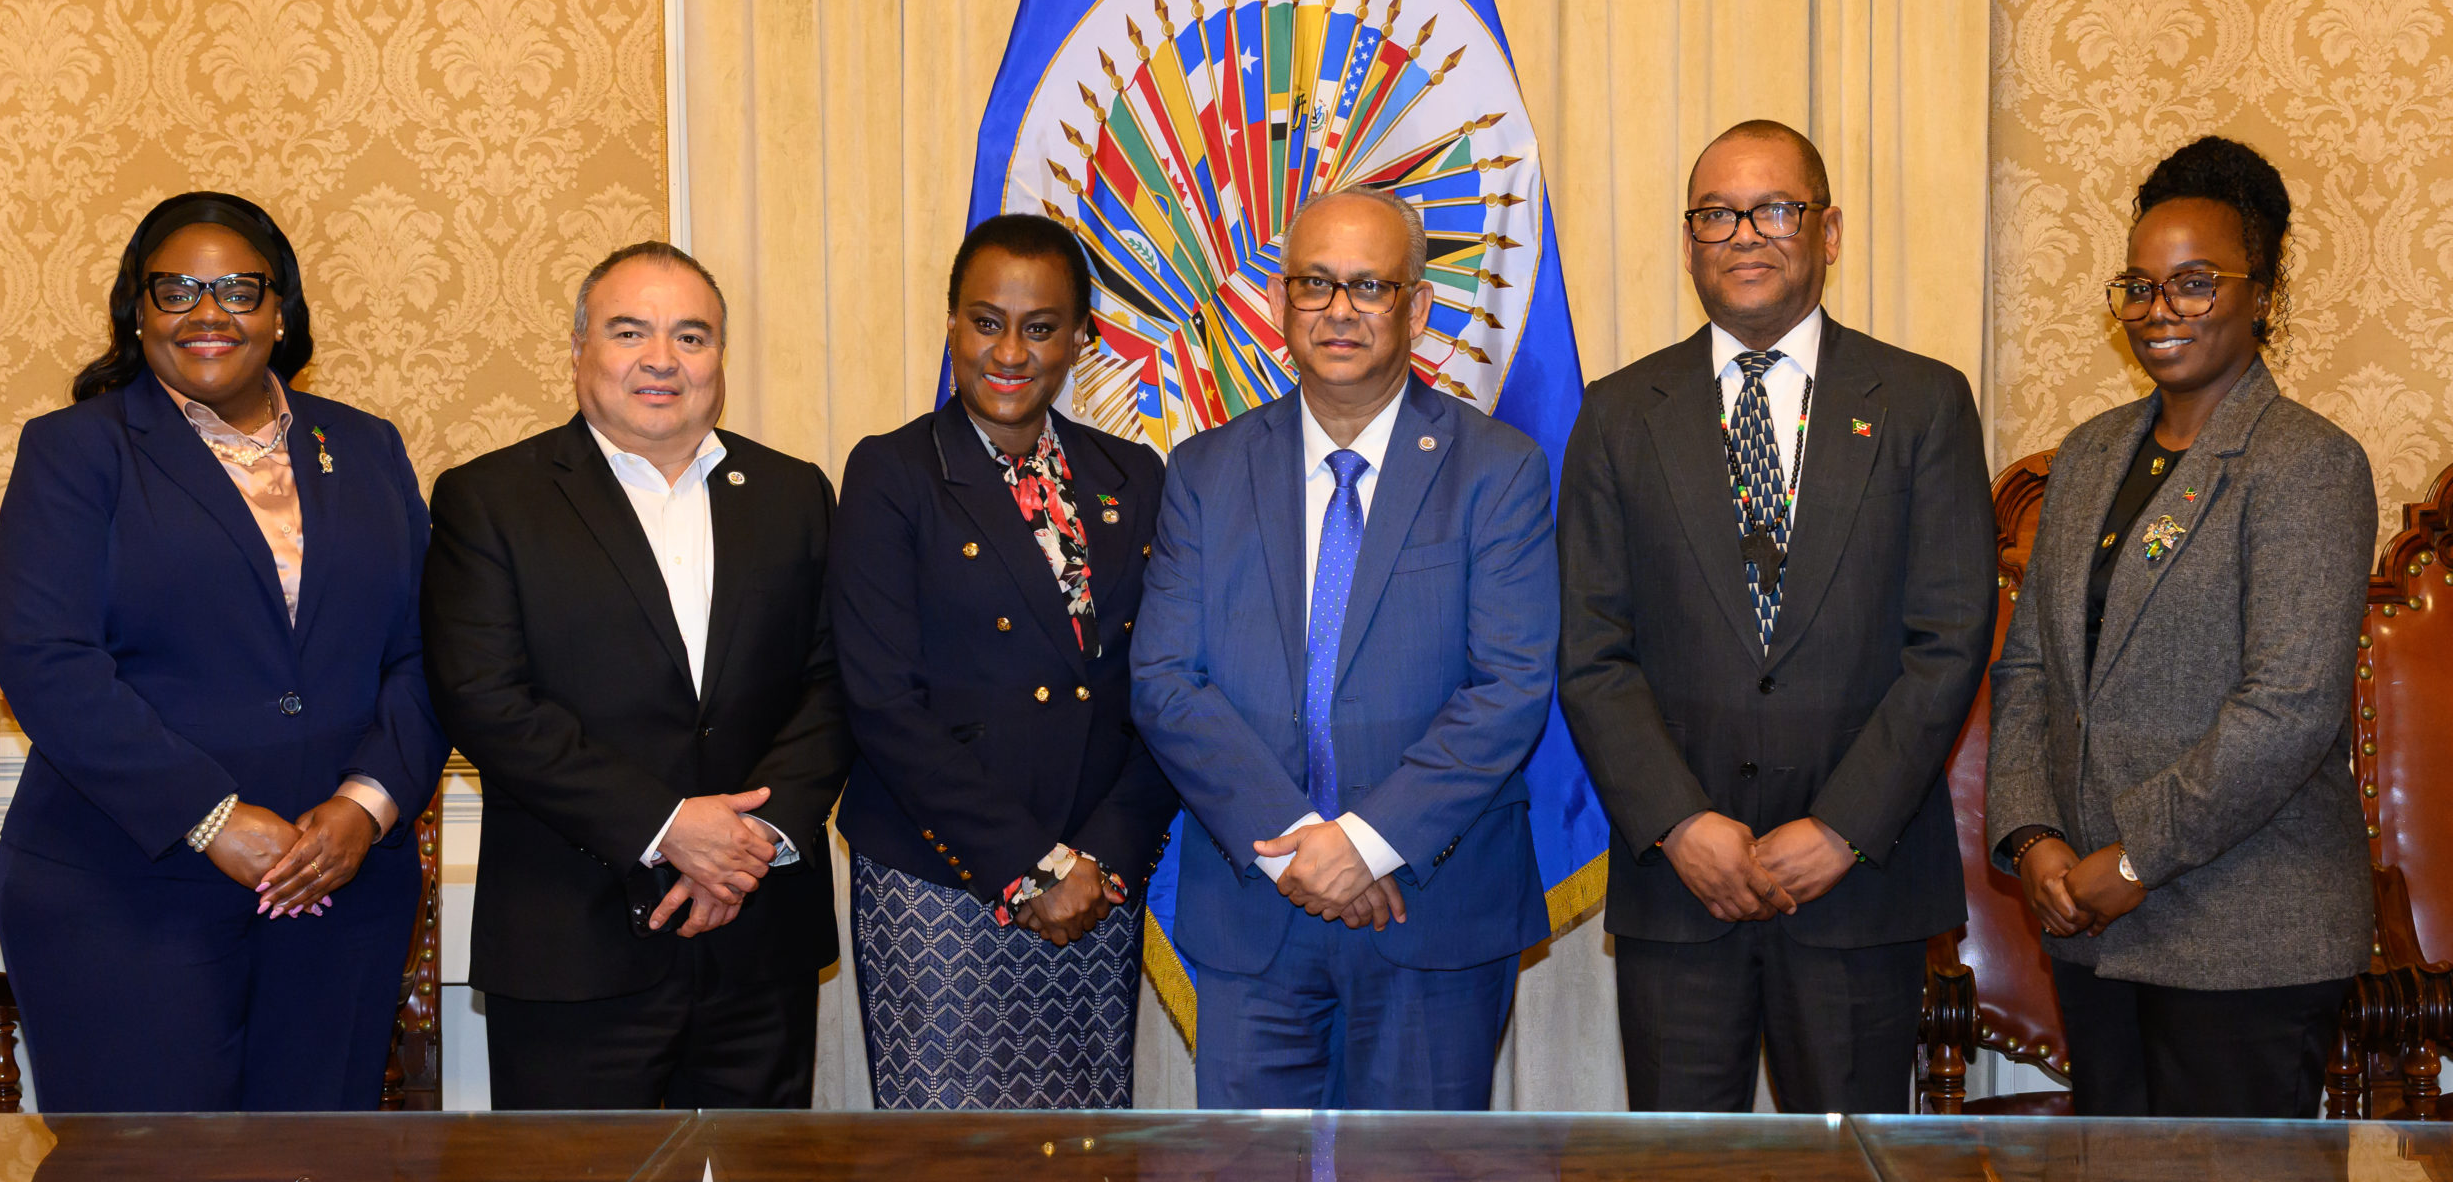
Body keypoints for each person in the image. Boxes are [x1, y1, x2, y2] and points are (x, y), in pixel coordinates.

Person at [1557, 119, 1997, 1113]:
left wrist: (1842, 828)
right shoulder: (1618, 415)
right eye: (1716, 214)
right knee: (1678, 1168)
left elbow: (1948, 642)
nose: (1744, 234)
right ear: (1689, 242)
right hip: (1681, 891)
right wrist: (1678, 824)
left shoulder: (1922, 404)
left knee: (1849, 1164)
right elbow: (1590, 651)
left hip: (1860, 887)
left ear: (1828, 231)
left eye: (1775, 210)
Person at [0, 191, 447, 1111]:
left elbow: (430, 651)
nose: (208, 313)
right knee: (147, 1168)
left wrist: (365, 806)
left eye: (239, 290)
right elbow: (48, 660)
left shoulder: (365, 446)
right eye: (177, 291)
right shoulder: (75, 451)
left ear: (280, 312)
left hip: (339, 888)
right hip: (124, 891)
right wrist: (212, 817)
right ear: (138, 312)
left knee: (314, 1164)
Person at [1131, 185, 1557, 1110]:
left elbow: (1511, 685)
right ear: (1278, 302)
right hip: (1256, 910)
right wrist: (1301, 851)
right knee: (1246, 1171)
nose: (1338, 310)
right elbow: (1166, 682)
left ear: (1417, 306)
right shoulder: (1204, 471)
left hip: (1433, 910)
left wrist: (1366, 844)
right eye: (1314, 283)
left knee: (1420, 1173)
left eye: (1369, 286)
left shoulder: (1499, 470)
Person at [1986, 137, 2372, 1118]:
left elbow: (2287, 709)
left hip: (2246, 939)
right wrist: (2033, 838)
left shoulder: (2306, 464)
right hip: (2093, 928)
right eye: (2139, 286)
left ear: (2263, 295)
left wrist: (2133, 857)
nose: (2160, 310)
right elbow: (2029, 669)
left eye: (2194, 284)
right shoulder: (2087, 456)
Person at [422, 240, 851, 1110]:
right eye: (630, 332)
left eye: (691, 336)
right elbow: (486, 701)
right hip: (571, 948)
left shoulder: (794, 493)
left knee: (760, 1174)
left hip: (758, 942)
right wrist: (669, 827)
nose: (662, 359)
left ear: (719, 358)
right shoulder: (491, 499)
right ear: (579, 348)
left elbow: (836, 683)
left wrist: (751, 845)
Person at [827, 215, 1181, 1109]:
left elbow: (1164, 688)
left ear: (1081, 337)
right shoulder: (893, 473)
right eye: (987, 322)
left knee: (1086, 1149)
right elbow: (881, 704)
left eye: (1041, 327)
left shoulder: (1134, 477)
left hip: (1094, 887)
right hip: (941, 881)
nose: (1011, 352)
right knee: (952, 1154)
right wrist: (1031, 868)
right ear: (951, 323)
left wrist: (1103, 857)